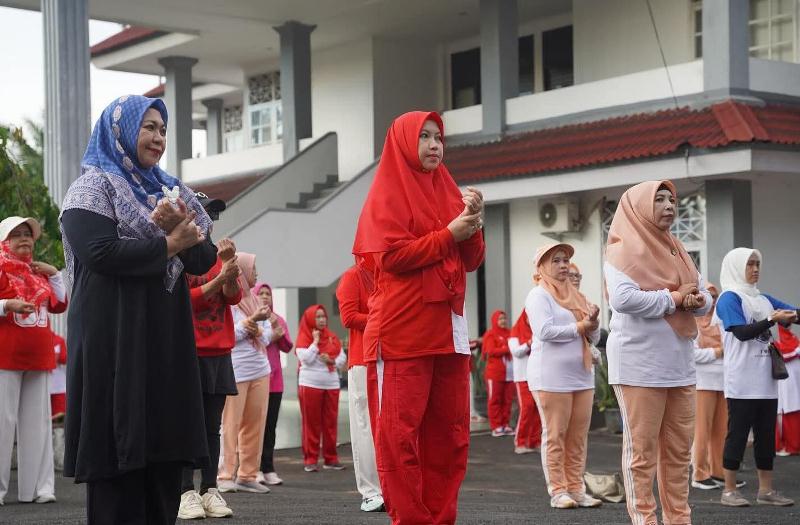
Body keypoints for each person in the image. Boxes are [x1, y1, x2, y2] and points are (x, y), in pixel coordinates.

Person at [61, 95, 216, 525]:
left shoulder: (170, 190)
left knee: (164, 457)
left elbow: (204, 259)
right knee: (117, 461)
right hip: (113, 336)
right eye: (148, 127)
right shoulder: (92, 187)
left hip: (163, 339)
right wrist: (169, 243)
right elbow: (99, 252)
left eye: (162, 129)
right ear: (121, 131)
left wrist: (178, 230)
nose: (158, 137)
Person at [353, 110, 485, 525]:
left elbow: (471, 260)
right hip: (402, 332)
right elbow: (390, 258)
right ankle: (411, 519)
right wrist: (449, 234)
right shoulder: (386, 193)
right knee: (399, 438)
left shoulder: (448, 190)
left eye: (439, 137)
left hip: (448, 330)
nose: (434, 145)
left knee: (449, 435)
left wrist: (474, 223)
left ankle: (442, 517)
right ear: (403, 143)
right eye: (424, 137)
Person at [604, 180, 711, 525]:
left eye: (672, 199)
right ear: (638, 209)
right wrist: (676, 298)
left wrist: (696, 299)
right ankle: (645, 520)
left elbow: (703, 294)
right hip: (639, 366)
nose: (669, 205)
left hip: (679, 365)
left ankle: (678, 519)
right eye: (659, 199)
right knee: (642, 453)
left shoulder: (677, 249)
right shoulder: (621, 252)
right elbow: (624, 300)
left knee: (679, 452)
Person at [715, 248, 799, 507]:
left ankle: (766, 491)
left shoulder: (763, 298)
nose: (755, 269)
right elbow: (741, 332)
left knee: (766, 437)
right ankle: (729, 491)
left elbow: (794, 313)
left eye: (757, 264)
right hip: (741, 381)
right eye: (749, 264)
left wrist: (784, 316)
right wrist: (771, 320)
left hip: (766, 381)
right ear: (736, 267)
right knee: (737, 436)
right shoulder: (729, 298)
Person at [526, 243, 602, 509]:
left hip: (581, 375)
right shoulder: (539, 296)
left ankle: (577, 489)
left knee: (578, 437)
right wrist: (581, 325)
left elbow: (592, 336)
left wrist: (593, 324)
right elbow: (545, 331)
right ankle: (558, 491)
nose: (563, 265)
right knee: (556, 434)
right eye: (556, 261)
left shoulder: (577, 297)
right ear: (543, 267)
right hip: (550, 377)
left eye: (565, 260)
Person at [0, 216, 67, 505]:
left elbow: (60, 303)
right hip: (6, 356)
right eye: (17, 234)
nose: (24, 238)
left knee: (38, 424)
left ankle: (39, 489)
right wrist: (6, 305)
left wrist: (54, 274)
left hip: (39, 357)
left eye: (28, 234)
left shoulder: (37, 273)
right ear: (4, 241)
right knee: (3, 424)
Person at [178, 226, 241, 520]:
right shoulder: (177, 256)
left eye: (211, 218)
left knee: (211, 427)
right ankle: (184, 491)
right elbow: (184, 301)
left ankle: (209, 488)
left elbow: (232, 297)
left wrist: (228, 267)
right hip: (187, 353)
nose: (207, 223)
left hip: (218, 353)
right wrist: (219, 278)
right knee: (186, 424)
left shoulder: (218, 255)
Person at [218, 252, 272, 494]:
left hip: (260, 368)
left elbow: (268, 335)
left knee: (255, 424)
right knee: (230, 425)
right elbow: (229, 334)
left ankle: (248, 474)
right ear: (241, 270)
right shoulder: (228, 298)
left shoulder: (254, 299)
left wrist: (258, 327)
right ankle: (225, 474)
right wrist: (252, 322)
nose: (256, 273)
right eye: (253, 268)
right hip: (237, 369)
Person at [336, 264, 385, 512]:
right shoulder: (353, 276)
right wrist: (383, 320)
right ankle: (370, 491)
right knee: (365, 427)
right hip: (363, 360)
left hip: (391, 359)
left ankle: (389, 487)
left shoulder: (389, 274)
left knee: (389, 428)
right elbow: (348, 317)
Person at [295, 304, 346, 472]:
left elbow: (342, 358)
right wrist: (316, 342)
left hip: (331, 383)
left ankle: (331, 458)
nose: (322, 319)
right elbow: (306, 359)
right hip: (310, 383)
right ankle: (311, 459)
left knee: (330, 423)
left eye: (323, 316)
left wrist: (331, 360)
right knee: (312, 423)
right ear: (310, 319)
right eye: (317, 317)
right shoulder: (304, 337)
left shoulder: (332, 337)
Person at [252, 282, 293, 486]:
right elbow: (255, 341)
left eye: (268, 294)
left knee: (270, 428)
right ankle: (254, 468)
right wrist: (269, 334)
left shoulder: (278, 319)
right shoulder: (252, 319)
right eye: (261, 293)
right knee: (255, 427)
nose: (265, 297)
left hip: (275, 382)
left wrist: (277, 327)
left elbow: (287, 347)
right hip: (256, 379)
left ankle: (268, 468)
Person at [691, 283, 729, 490]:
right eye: (709, 296)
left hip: (723, 381)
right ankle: (699, 473)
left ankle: (719, 471)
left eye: (715, 297)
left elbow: (731, 347)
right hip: (703, 383)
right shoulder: (693, 323)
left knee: (721, 430)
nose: (712, 301)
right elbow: (693, 355)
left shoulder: (720, 322)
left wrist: (719, 351)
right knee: (702, 430)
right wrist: (717, 352)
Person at [508, 309, 542, 454]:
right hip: (522, 377)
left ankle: (534, 442)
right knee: (527, 408)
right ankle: (520, 442)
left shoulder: (536, 332)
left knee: (537, 410)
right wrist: (528, 344)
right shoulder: (515, 332)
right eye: (529, 317)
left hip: (536, 376)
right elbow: (515, 352)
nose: (531, 320)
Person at [482, 310, 516, 438]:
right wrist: (507, 349)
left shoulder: (510, 333)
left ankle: (505, 424)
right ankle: (496, 426)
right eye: (500, 319)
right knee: (495, 400)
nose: (503, 321)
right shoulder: (490, 334)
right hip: (494, 374)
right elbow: (490, 351)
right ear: (495, 321)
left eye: (504, 319)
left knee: (507, 400)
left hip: (510, 373)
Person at [776, 325, 800, 456]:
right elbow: (782, 355)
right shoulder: (777, 340)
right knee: (785, 411)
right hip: (785, 383)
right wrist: (796, 351)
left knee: (794, 411)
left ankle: (793, 445)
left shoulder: (793, 338)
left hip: (795, 383)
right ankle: (785, 445)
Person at [50, 332, 68, 421]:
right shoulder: (58, 340)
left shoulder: (36, 340)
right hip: (58, 384)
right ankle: (58, 433)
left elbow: (64, 359)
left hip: (54, 383)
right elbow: (64, 359)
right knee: (59, 413)